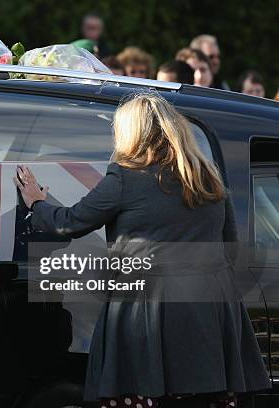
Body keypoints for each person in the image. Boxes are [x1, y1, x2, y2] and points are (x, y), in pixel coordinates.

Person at [14, 92, 270, 407]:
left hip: (147, 310)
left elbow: (71, 222)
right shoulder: (208, 175)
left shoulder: (125, 176)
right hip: (211, 311)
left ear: (130, 132)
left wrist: (37, 202)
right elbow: (229, 247)